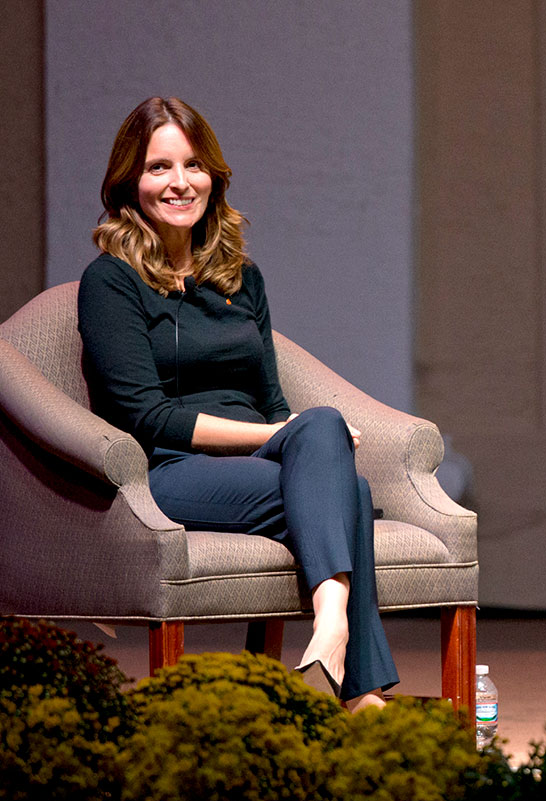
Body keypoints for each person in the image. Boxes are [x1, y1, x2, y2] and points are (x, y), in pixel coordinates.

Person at [77, 96, 396, 710]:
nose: (179, 183)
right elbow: (147, 416)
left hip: (258, 460)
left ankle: (338, 642)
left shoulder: (241, 277)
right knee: (346, 488)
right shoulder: (111, 281)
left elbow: (272, 398)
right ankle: (355, 676)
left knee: (334, 457)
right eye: (158, 167)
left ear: (214, 177)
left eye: (193, 165)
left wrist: (300, 437)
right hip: (170, 468)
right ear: (128, 182)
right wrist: (283, 438)